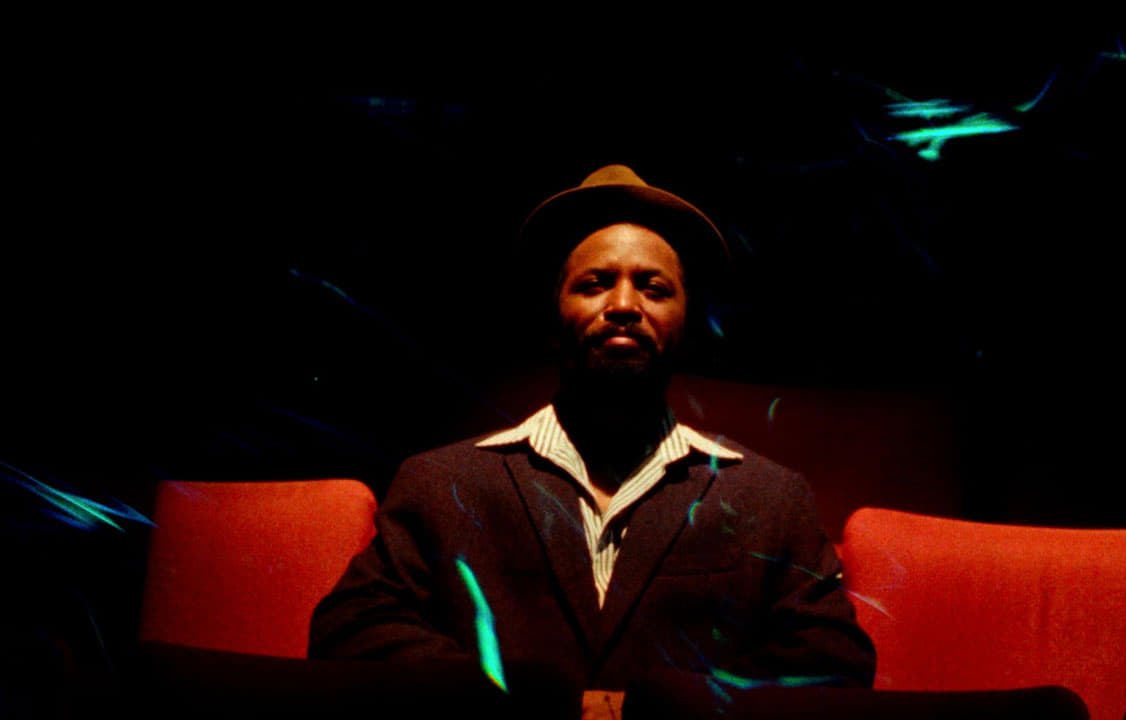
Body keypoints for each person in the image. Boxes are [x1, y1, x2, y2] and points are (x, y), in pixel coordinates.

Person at [309, 165, 876, 718]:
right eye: (595, 284)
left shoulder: (770, 497)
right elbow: (351, 629)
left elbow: (834, 657)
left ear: (687, 325)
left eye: (653, 288)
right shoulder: (441, 483)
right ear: (552, 318)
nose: (624, 305)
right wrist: (524, 702)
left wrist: (664, 707)